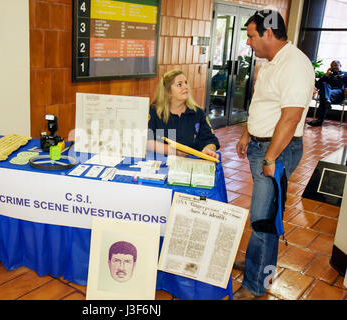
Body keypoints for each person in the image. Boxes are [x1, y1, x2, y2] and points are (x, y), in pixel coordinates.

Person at [234, 10, 314, 300]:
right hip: (262, 144)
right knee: (262, 216)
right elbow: (263, 105)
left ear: (269, 33)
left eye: (252, 36)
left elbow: (290, 118)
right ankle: (257, 263)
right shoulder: (270, 62)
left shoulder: (294, 65)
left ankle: (257, 285)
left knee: (264, 219)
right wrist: (247, 132)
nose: (249, 43)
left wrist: (269, 158)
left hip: (277, 150)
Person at [147, 69, 220, 159]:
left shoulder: (198, 113)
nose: (186, 87)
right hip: (161, 164)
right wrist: (174, 151)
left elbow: (210, 140)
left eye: (186, 83)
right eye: (179, 84)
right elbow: (148, 142)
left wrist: (208, 150)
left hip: (190, 164)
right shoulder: (154, 111)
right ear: (168, 92)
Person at [308, 60, 346, 126]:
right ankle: (327, 100)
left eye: (336, 65)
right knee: (324, 85)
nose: (334, 67)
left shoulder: (345, 74)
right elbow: (317, 85)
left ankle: (319, 121)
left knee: (323, 96)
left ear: (340, 65)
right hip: (328, 94)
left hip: (338, 94)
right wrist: (325, 75)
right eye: (332, 66)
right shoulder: (328, 75)